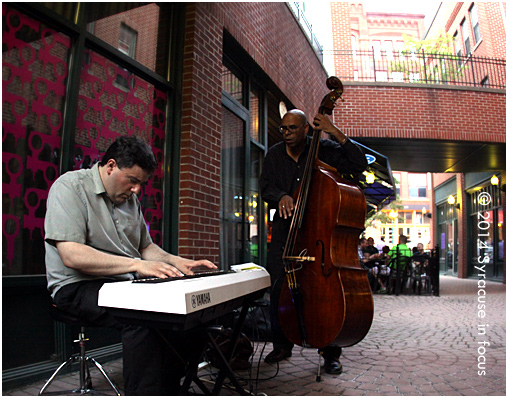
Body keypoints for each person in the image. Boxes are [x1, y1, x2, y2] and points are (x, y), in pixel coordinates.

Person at [44, 136, 217, 395]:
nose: (137, 190)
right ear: (111, 166)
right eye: (133, 181)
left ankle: (169, 387)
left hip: (123, 284)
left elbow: (146, 248)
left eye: (141, 184)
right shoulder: (69, 187)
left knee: (187, 313)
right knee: (142, 315)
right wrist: (137, 265)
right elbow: (72, 255)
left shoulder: (130, 201)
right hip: (76, 286)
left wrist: (178, 261)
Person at [259, 109, 367, 375]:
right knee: (277, 286)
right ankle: (282, 345)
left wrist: (335, 131)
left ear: (306, 128)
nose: (286, 133)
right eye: (283, 128)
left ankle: (330, 352)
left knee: (323, 293)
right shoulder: (274, 154)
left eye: (292, 128)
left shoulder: (324, 148)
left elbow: (358, 164)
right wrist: (282, 196)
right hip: (287, 232)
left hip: (320, 233)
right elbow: (265, 187)